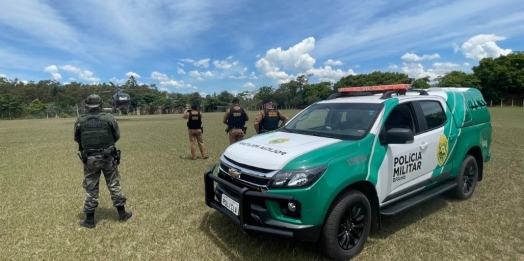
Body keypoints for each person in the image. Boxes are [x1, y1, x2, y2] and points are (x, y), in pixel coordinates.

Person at [74, 94, 132, 229]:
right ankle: (122, 214)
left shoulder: (80, 120)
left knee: (91, 188)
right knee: (114, 184)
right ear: (100, 104)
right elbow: (116, 135)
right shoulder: (109, 118)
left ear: (87, 105)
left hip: (90, 159)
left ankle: (89, 220)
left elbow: (77, 138)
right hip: (108, 157)